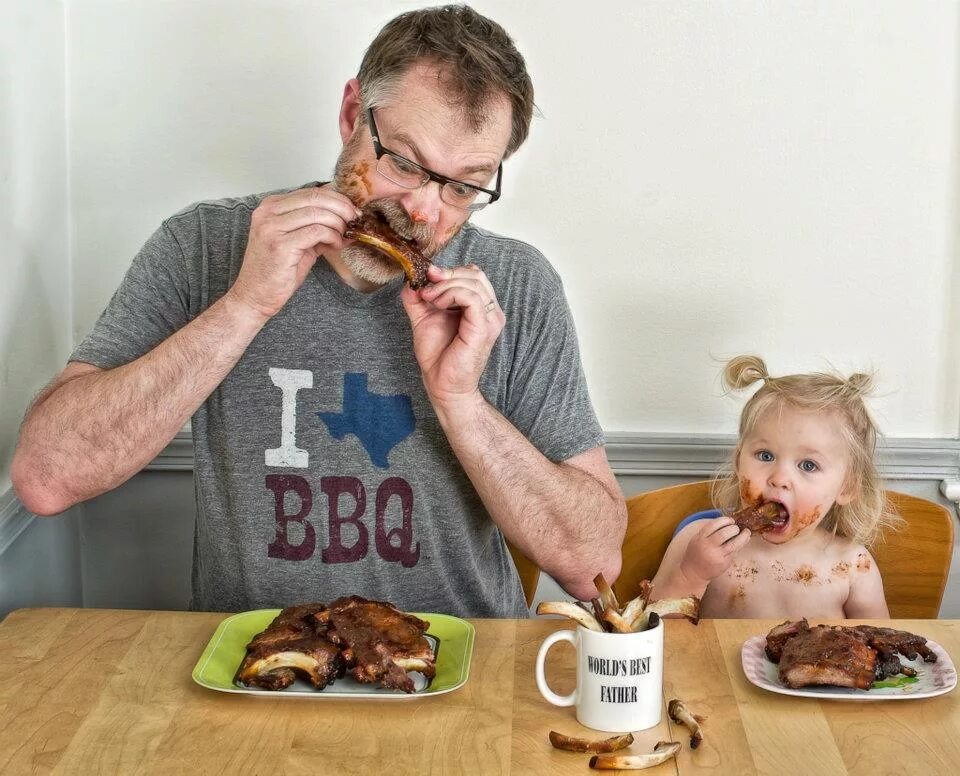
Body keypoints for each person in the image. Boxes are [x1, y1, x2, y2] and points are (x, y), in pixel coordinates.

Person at [11, 5, 626, 617]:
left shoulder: (515, 284)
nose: (423, 212)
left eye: (464, 187)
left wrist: (462, 403)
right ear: (353, 114)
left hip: (464, 673)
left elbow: (594, 567)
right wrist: (245, 306)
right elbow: (46, 478)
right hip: (258, 670)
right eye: (405, 164)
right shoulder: (201, 247)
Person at [650, 355, 901, 619]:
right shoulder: (697, 542)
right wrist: (691, 574)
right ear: (738, 461)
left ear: (847, 487)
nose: (779, 478)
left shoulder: (852, 566)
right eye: (765, 456)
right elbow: (650, 634)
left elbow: (877, 647)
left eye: (808, 465)